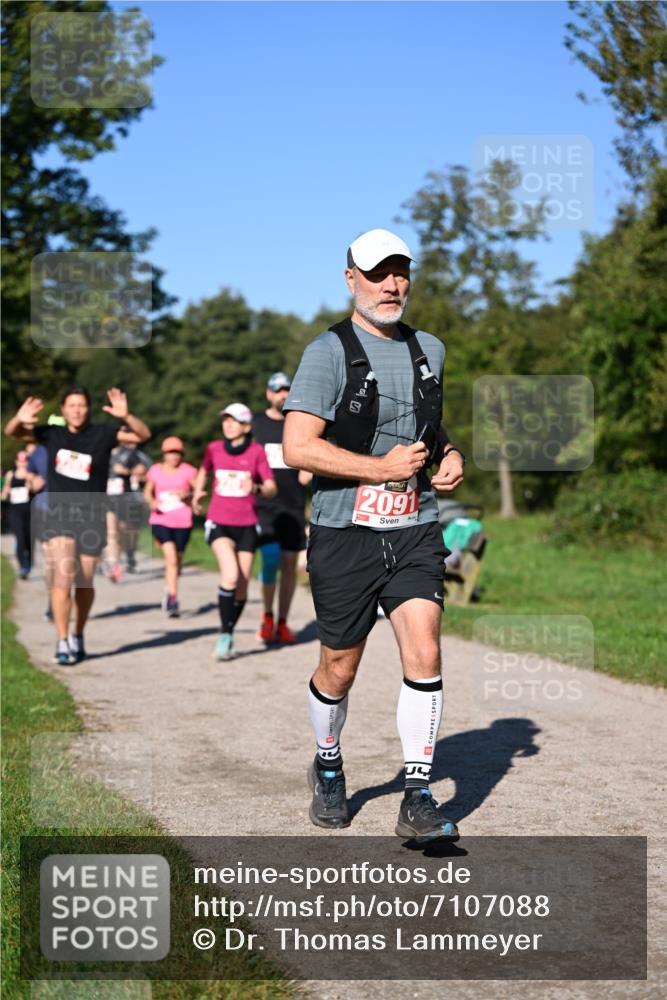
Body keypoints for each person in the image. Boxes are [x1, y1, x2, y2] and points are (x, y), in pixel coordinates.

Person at [283, 228, 465, 843]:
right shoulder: (326, 352)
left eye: (401, 272)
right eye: (378, 273)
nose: (392, 285)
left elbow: (426, 427)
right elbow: (297, 448)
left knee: (426, 647)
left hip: (414, 526)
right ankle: (329, 761)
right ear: (350, 278)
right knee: (339, 665)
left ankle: (418, 793)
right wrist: (377, 469)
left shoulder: (429, 348)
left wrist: (449, 453)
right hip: (344, 531)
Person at [4, 386, 151, 665]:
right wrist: (19, 418)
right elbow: (12, 433)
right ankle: (61, 640)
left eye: (81, 405)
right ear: (63, 409)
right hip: (60, 513)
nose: (76, 410)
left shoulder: (104, 434)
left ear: (88, 408)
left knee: (84, 582)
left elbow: (143, 435)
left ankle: (78, 633)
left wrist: (127, 415)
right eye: (71, 405)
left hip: (91, 514)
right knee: (62, 579)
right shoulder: (52, 433)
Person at [192, 403, 276, 661]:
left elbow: (271, 488)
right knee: (230, 576)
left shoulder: (256, 452)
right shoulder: (214, 449)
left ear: (246, 426)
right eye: (225, 420)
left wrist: (257, 488)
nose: (228, 424)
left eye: (234, 420)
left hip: (248, 526)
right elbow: (204, 469)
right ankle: (225, 635)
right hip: (219, 522)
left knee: (241, 588)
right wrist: (197, 492)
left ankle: (228, 631)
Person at [252, 372, 312, 644]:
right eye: (277, 390)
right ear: (268, 394)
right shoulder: (256, 424)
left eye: (287, 390)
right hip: (263, 506)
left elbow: (309, 459)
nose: (283, 395)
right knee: (271, 560)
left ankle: (283, 622)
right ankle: (266, 617)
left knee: (289, 566)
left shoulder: (298, 424)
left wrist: (310, 469)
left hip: (294, 505)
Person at [144, 436, 197, 617]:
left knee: (177, 561)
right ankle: (172, 599)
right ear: (164, 454)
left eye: (177, 453)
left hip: (183, 521)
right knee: (172, 559)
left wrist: (187, 493)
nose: (174, 456)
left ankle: (169, 588)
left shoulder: (188, 471)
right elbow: (147, 492)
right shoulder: (155, 470)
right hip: (160, 519)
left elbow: (197, 491)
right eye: (170, 453)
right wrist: (151, 502)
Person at [1, 448, 34, 579]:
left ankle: (29, 563)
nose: (22, 464)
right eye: (20, 461)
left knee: (28, 540)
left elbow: (35, 490)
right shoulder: (10, 475)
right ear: (16, 462)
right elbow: (4, 494)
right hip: (15, 511)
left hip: (29, 511)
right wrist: (6, 491)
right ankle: (23, 566)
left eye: (25, 461)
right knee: (20, 539)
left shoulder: (30, 475)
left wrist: (29, 483)